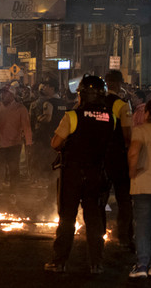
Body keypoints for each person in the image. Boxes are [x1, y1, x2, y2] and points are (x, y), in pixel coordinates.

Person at [45, 75, 114, 274]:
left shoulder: (73, 116)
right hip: (97, 174)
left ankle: (59, 262)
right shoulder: (111, 117)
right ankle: (96, 263)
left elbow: (55, 144)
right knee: (94, 219)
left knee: (67, 218)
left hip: (73, 174)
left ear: (82, 95)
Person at [105, 69, 134, 250]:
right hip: (118, 157)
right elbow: (127, 135)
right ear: (118, 83)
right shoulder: (122, 105)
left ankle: (94, 231)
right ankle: (123, 236)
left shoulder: (96, 103)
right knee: (124, 199)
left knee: (98, 198)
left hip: (99, 157)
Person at [128, 99, 151, 278]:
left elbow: (133, 152)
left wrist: (132, 172)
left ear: (146, 113)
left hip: (143, 184)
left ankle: (142, 265)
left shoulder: (140, 130)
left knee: (143, 226)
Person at [0, 85, 32, 192]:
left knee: (13, 168)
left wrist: (29, 143)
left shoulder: (20, 108)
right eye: (1, 93)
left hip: (14, 144)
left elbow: (26, 126)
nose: (2, 95)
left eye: (5, 93)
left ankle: (13, 191)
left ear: (12, 95)